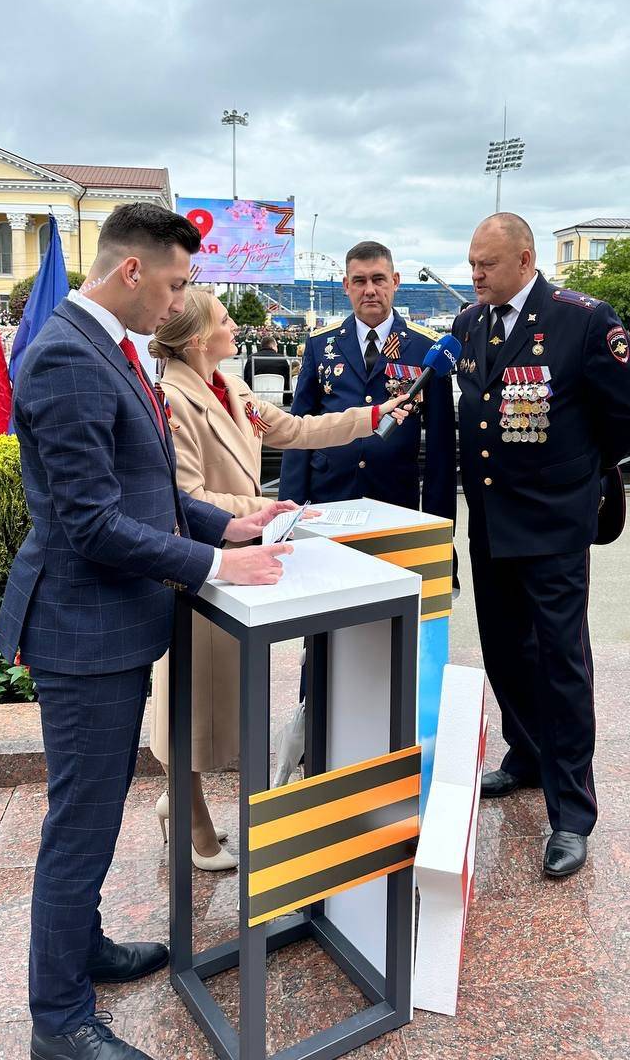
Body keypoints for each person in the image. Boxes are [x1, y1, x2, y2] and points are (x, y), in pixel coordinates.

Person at [0, 203, 295, 1060]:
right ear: (131, 270)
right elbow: (91, 523)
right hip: (83, 630)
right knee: (81, 823)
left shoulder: (107, 348)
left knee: (90, 813)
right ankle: (59, 1021)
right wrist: (214, 564)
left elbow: (147, 487)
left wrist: (227, 525)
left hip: (109, 622)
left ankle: (82, 947)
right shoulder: (68, 356)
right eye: (173, 282)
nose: (177, 302)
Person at [148, 288, 410, 867]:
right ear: (198, 338)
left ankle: (181, 801)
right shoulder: (172, 399)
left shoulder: (231, 386)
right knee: (189, 701)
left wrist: (372, 417)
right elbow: (185, 497)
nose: (236, 326)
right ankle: (192, 821)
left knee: (213, 697)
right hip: (200, 565)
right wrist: (263, 511)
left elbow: (294, 429)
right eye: (225, 319)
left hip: (240, 563)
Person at [453, 213, 630, 879]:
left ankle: (571, 813)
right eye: (471, 263)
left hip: (553, 524)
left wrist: (577, 477)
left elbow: (625, 417)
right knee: (505, 651)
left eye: (486, 263)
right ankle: (528, 756)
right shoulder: (471, 324)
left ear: (525, 259)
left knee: (561, 662)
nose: (475, 274)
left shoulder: (582, 321)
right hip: (491, 521)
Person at [279, 240, 457, 527]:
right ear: (346, 285)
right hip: (329, 497)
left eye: (378, 279)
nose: (370, 290)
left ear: (395, 281)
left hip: (395, 500)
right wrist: (289, 513)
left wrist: (440, 527)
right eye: (360, 281)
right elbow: (298, 429)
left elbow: (440, 446)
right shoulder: (320, 344)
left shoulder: (426, 347)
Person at [243, 332, 293, 402]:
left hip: (256, 398)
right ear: (273, 346)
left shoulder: (251, 358)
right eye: (276, 346)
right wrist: (288, 399)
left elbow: (246, 379)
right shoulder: (281, 359)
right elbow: (287, 381)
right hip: (278, 397)